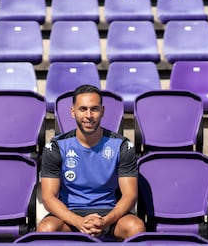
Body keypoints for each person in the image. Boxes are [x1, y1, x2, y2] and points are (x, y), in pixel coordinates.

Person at [37, 84, 145, 241]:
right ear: (73, 112)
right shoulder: (56, 146)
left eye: (94, 109)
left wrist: (105, 221)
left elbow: (130, 195)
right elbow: (48, 197)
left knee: (136, 227)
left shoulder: (122, 145)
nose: (89, 115)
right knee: (46, 229)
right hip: (70, 215)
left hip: (110, 214)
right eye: (83, 109)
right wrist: (79, 222)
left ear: (102, 111)